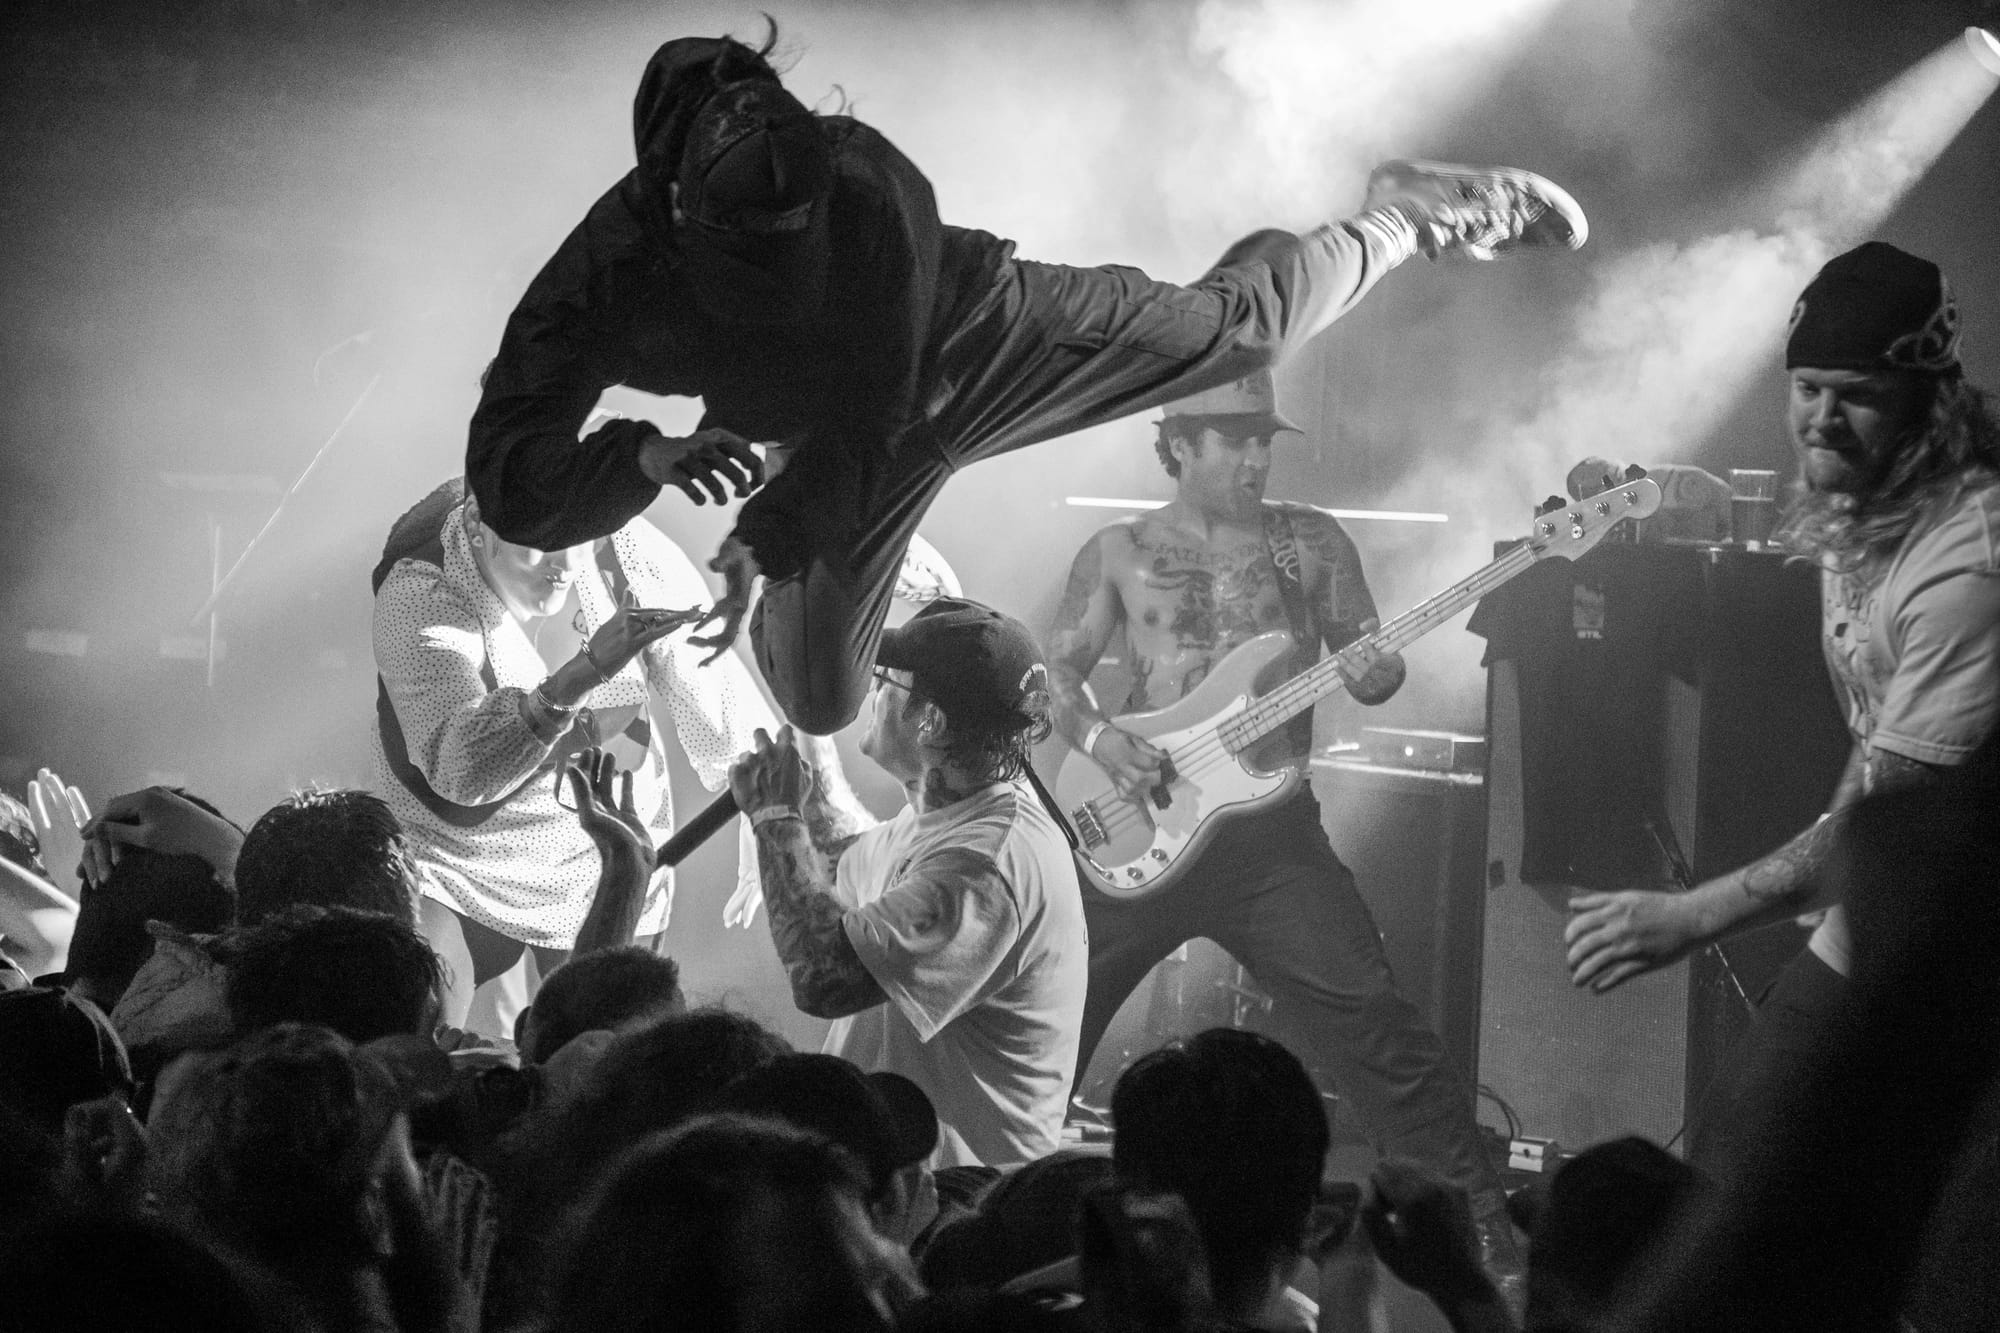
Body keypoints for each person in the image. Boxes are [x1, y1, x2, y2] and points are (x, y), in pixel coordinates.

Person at [465, 27, 1588, 737]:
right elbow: (509, 480)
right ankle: (883, 628)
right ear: (675, 212)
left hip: (964, 340)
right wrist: (642, 458)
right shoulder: (598, 279)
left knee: (1243, 335)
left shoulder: (865, 177)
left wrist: (768, 533)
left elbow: (876, 407)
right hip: (816, 431)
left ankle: (1412, 214)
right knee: (818, 706)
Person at [1044, 371, 1521, 1282]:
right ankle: (1001, 1208)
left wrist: (1375, 672)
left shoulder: (1310, 541)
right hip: (1141, 825)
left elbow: (1367, 662)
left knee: (1375, 1019)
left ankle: (1481, 1231)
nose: (1258, 457)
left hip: (1270, 843)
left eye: (1266, 439)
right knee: (1048, 1018)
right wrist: (1106, 743)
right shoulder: (1117, 549)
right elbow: (1057, 678)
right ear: (1180, 443)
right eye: (1236, 440)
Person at [1562, 241, 2000, 1172]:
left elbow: (1894, 812)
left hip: (1971, 935)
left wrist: (1691, 916)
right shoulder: (1863, 507)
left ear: (1932, 399)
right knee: (1746, 1143)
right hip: (1913, 900)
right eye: (1807, 389)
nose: (1823, 421)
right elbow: (1880, 756)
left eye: (1858, 394)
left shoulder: (1970, 563)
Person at [370, 476, 857, 1026]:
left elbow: (718, 695)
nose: (561, 565)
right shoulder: (420, 592)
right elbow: (462, 769)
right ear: (479, 526)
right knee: (415, 1031)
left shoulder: (629, 553)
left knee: (601, 1052)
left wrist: (757, 807)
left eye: (578, 538)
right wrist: (585, 670)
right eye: (537, 545)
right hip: (458, 856)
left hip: (599, 856)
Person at [727, 597, 1088, 1167]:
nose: (871, 692)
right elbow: (850, 862)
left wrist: (776, 819)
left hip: (958, 1206)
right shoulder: (948, 815)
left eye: (883, 680)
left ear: (931, 721)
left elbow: (824, 977)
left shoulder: (985, 865)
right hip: (906, 1180)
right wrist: (805, 769)